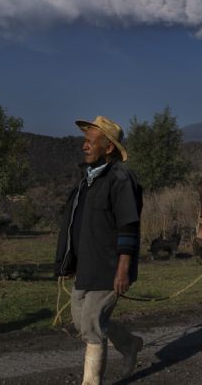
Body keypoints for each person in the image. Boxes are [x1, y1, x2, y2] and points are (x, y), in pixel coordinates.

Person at [54, 115, 144, 385]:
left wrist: (123, 268)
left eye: (91, 142)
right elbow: (78, 226)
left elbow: (128, 226)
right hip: (86, 265)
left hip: (109, 266)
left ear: (108, 148)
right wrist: (70, 261)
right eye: (85, 141)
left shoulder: (121, 178)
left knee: (92, 325)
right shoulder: (87, 181)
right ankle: (129, 344)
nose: (85, 145)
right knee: (81, 321)